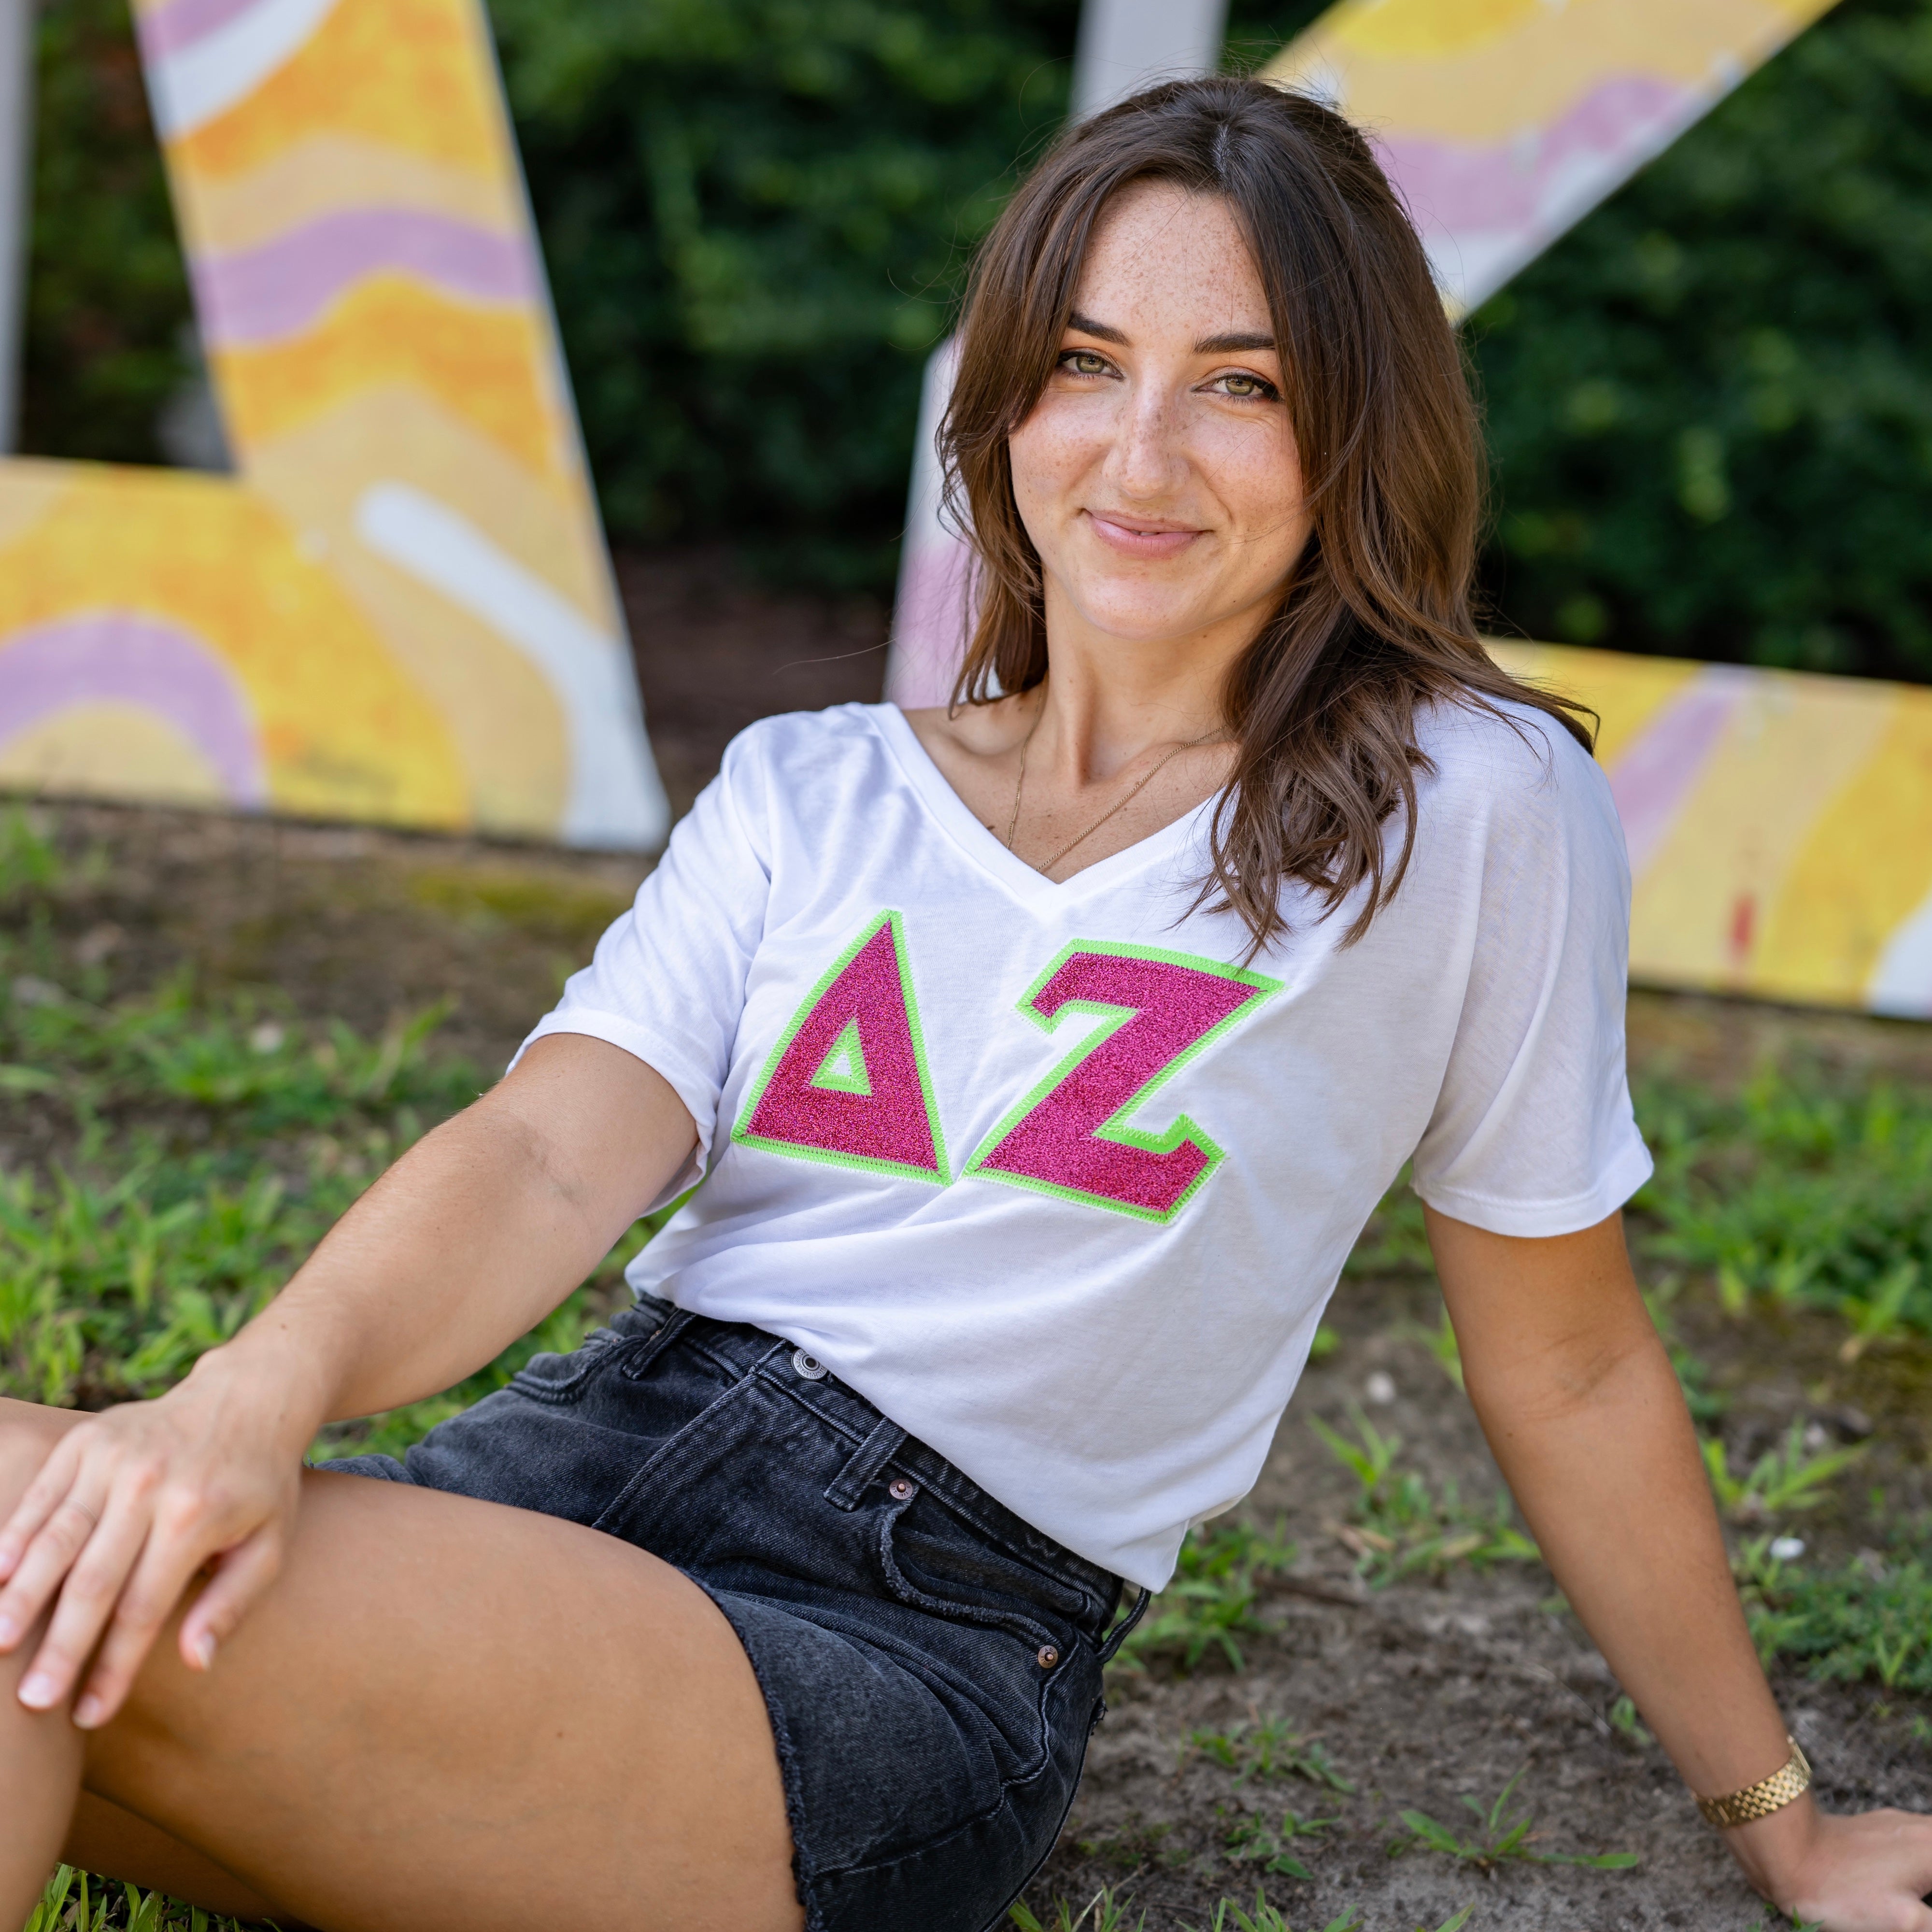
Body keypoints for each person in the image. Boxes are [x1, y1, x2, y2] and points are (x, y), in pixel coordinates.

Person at [1, 75, 1929, 1932]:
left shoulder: (1465, 809)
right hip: (552, 1487)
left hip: (894, 1637)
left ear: (1359, 430)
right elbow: (535, 1155)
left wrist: (1784, 1825)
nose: (1141, 452)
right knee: (40, 1558)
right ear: (1004, 405)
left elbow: (1570, 1359)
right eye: (1085, 365)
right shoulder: (810, 784)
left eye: (1240, 387)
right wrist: (244, 1395)